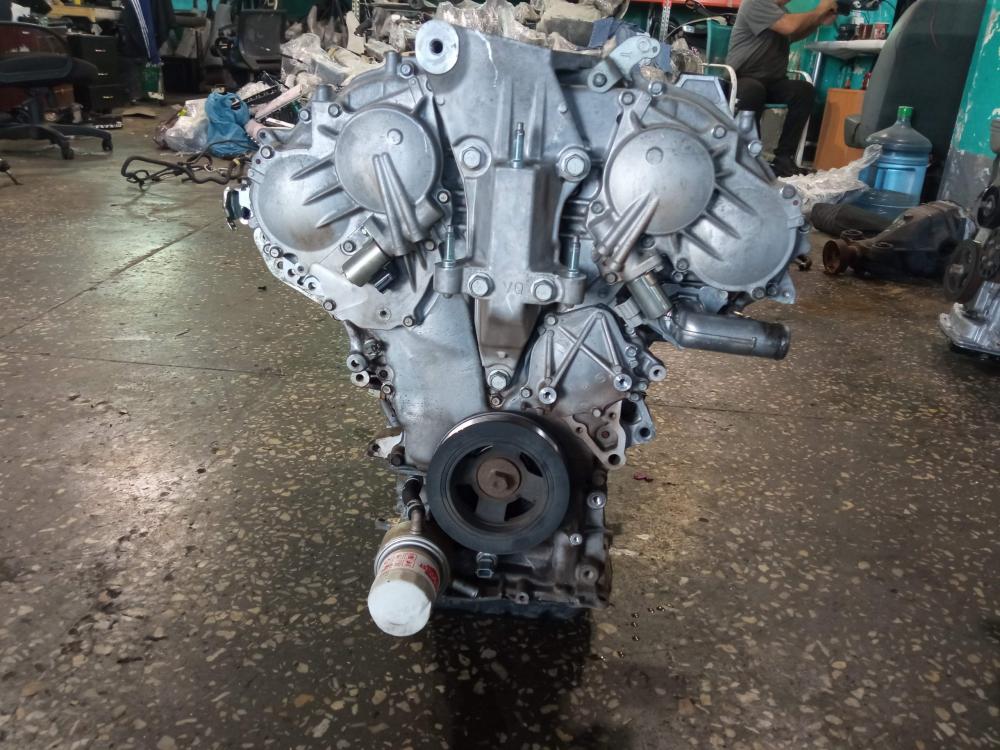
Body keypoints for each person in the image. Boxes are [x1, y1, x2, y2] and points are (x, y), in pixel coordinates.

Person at [726, 0, 837, 177]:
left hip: (772, 82)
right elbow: (789, 27)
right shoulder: (755, 3)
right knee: (754, 91)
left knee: (804, 91)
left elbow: (795, 33)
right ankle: (750, 158)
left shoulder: (781, 11)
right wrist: (819, 10)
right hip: (741, 78)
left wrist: (819, 19)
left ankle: (784, 159)